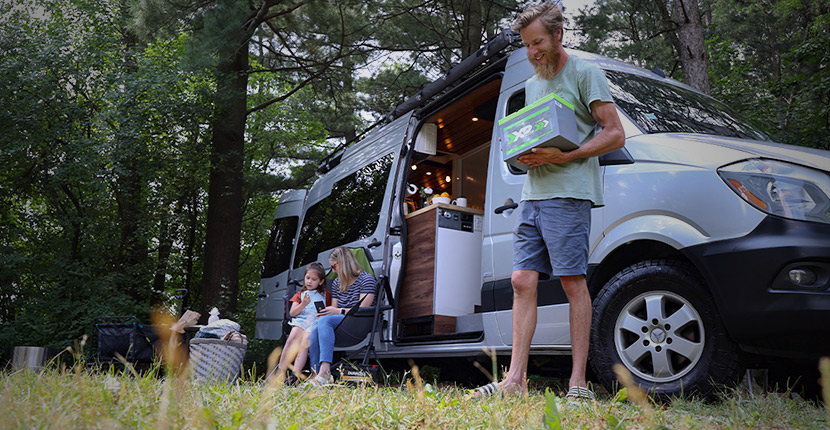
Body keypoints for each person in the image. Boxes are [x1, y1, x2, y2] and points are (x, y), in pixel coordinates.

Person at [472, 2, 624, 400]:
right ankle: (515, 381)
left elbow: (614, 133)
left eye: (537, 42)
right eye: (526, 45)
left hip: (569, 193)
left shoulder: (585, 73)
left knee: (573, 283)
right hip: (533, 194)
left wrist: (568, 156)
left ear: (558, 35)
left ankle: (577, 384)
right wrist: (524, 153)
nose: (532, 51)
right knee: (522, 280)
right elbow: (540, 133)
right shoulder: (535, 83)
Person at [303, 246, 377, 387]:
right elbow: (335, 308)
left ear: (344, 263)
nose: (333, 271)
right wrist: (328, 312)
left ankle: (325, 372)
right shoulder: (337, 282)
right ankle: (316, 374)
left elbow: (363, 309)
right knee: (316, 327)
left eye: (334, 266)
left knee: (324, 321)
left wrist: (338, 312)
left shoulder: (367, 280)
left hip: (357, 324)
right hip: (340, 324)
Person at [271, 262, 330, 384]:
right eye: (307, 278)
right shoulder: (300, 294)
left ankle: (295, 374)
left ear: (321, 281)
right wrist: (304, 304)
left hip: (316, 321)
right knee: (292, 338)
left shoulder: (326, 295)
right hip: (302, 321)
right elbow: (292, 313)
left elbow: (330, 309)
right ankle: (280, 371)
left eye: (314, 279)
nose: (309, 282)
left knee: (305, 342)